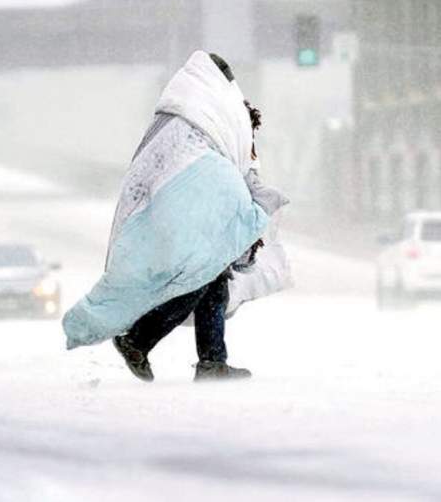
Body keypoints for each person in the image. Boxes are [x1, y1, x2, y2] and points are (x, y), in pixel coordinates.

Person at [62, 51, 290, 382]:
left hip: (171, 207)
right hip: (188, 207)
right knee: (198, 276)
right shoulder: (212, 109)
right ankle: (139, 339)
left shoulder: (178, 114)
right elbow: (227, 160)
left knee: (212, 278)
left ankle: (212, 361)